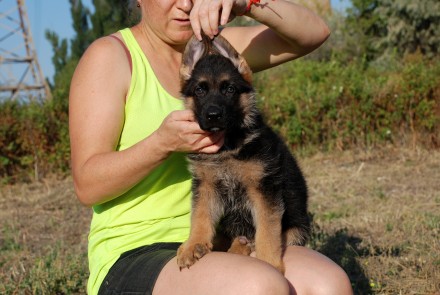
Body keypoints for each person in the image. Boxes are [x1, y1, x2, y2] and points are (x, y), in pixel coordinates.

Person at [69, 0, 353, 294]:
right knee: (260, 286)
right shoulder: (111, 57)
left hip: (228, 237)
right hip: (138, 250)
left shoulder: (217, 49)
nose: (184, 4)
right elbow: (87, 185)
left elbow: (313, 33)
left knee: (329, 285)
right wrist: (160, 145)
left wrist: (246, 4)